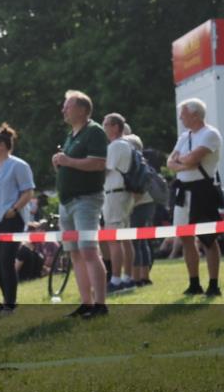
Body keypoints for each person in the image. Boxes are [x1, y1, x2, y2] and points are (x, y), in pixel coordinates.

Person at [53, 91, 110, 319]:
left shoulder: (94, 131)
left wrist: (68, 161)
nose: (63, 110)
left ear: (83, 110)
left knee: (88, 250)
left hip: (85, 200)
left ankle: (100, 304)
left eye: (68, 106)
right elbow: (74, 164)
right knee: (75, 253)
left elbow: (98, 164)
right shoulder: (71, 134)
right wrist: (60, 164)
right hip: (67, 202)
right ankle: (86, 302)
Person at [167, 99, 223, 297]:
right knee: (185, 237)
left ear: (195, 115)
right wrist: (184, 163)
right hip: (183, 190)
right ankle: (194, 283)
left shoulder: (210, 134)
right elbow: (170, 161)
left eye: (183, 113)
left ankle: (214, 284)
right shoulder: (184, 136)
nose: (181, 117)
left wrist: (182, 161)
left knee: (208, 238)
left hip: (202, 190)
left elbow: (192, 159)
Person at [0, 124, 35, 313]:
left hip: (10, 220)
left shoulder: (18, 165)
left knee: (5, 260)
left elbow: (28, 192)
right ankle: (5, 300)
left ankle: (11, 303)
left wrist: (14, 208)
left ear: (2, 146)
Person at [102, 113, 136, 293]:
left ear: (115, 127)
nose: (104, 128)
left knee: (113, 239)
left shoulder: (115, 146)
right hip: (124, 194)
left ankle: (115, 280)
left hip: (115, 194)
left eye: (106, 125)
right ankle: (127, 277)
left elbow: (105, 170)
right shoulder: (127, 145)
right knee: (125, 239)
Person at [123, 134, 155, 287]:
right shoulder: (143, 162)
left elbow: (137, 190)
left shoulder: (136, 164)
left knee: (135, 242)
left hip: (139, 205)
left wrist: (128, 206)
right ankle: (144, 276)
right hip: (147, 204)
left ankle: (136, 278)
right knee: (141, 241)